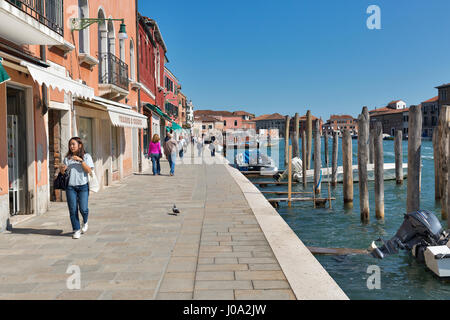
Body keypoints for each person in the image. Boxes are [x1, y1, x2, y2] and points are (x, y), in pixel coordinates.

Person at [60, 137, 95, 239]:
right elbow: (63, 173)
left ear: (79, 145)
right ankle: (76, 230)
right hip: (70, 187)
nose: (71, 146)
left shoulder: (86, 156)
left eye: (73, 144)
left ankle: (85, 220)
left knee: (83, 209)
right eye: (70, 144)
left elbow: (89, 170)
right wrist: (63, 169)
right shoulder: (67, 159)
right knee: (73, 209)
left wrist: (81, 161)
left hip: (83, 186)